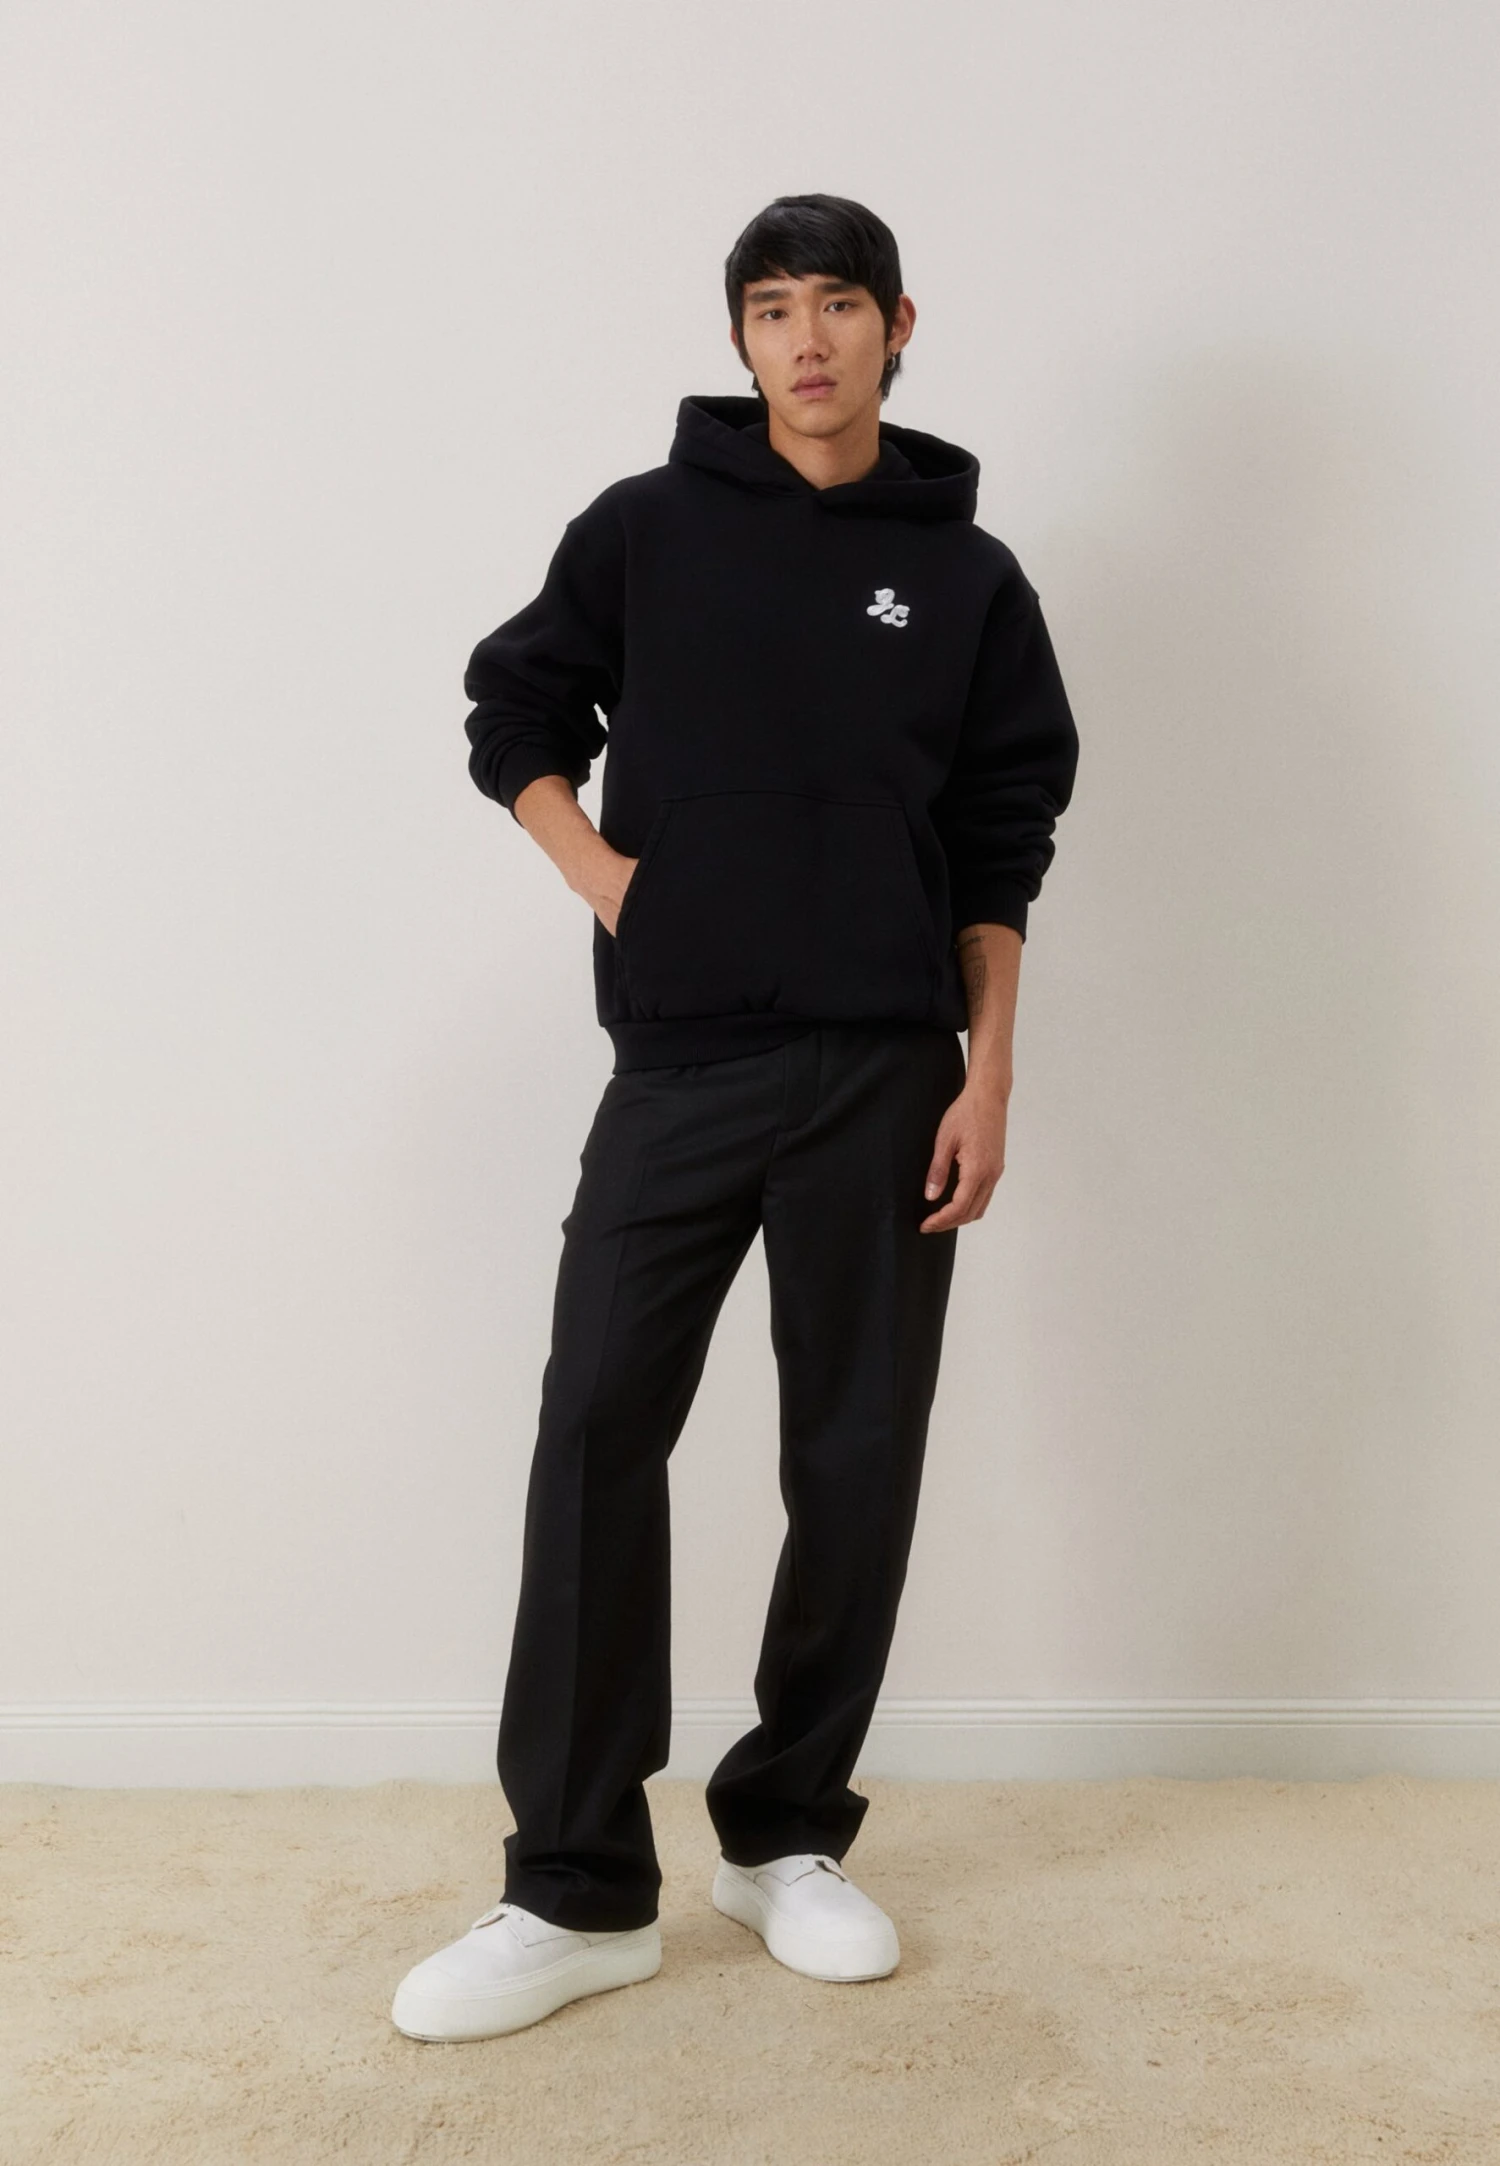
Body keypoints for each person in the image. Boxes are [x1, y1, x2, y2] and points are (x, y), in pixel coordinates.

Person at [391, 192, 1079, 2043]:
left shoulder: (970, 579)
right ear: (741, 339)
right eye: (772, 310)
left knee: (855, 1450)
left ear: (898, 326)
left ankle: (785, 1833)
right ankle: (575, 1884)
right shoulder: (645, 528)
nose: (806, 340)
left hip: (888, 1071)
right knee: (598, 1423)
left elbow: (1002, 837)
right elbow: (515, 707)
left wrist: (990, 1069)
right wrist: (617, 883)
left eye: (837, 304)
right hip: (681, 1065)